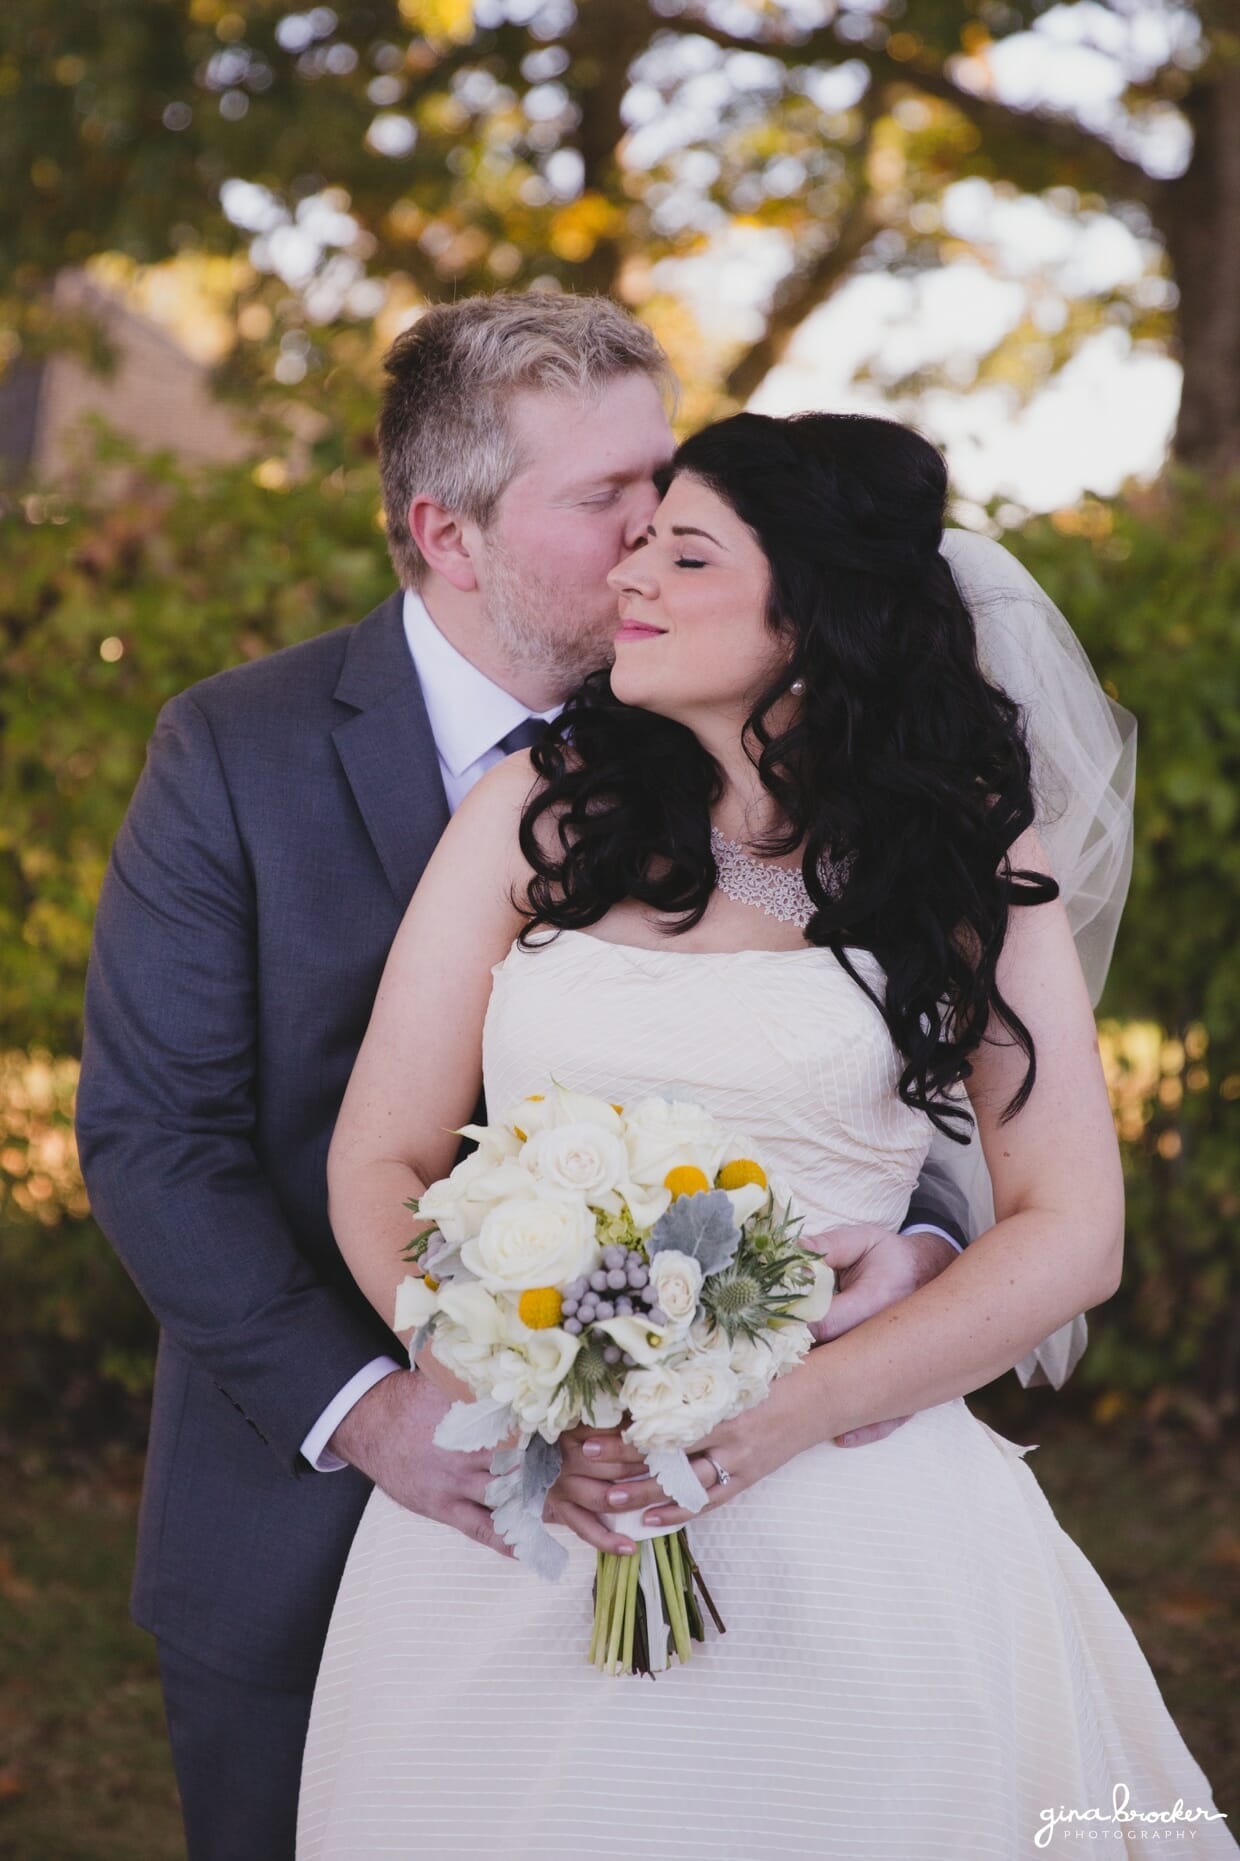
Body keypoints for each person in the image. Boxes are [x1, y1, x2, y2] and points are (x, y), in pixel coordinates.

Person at [74, 295, 988, 1861]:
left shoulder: (777, 756)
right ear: (449, 531)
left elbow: (890, 1063)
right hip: (312, 1502)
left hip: (744, 1501)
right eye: (606, 501)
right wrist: (375, 1411)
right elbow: (157, 1140)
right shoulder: (234, 747)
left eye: (671, 487)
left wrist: (920, 1243)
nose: (656, 536)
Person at [297, 410, 1234, 1859]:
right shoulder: (534, 816)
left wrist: (777, 1416)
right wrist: (488, 1353)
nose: (632, 579)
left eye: (686, 550)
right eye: (638, 542)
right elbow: (381, 1155)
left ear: (814, 611)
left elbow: (1072, 1227)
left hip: (847, 1505)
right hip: (541, 1497)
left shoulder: (969, 860)